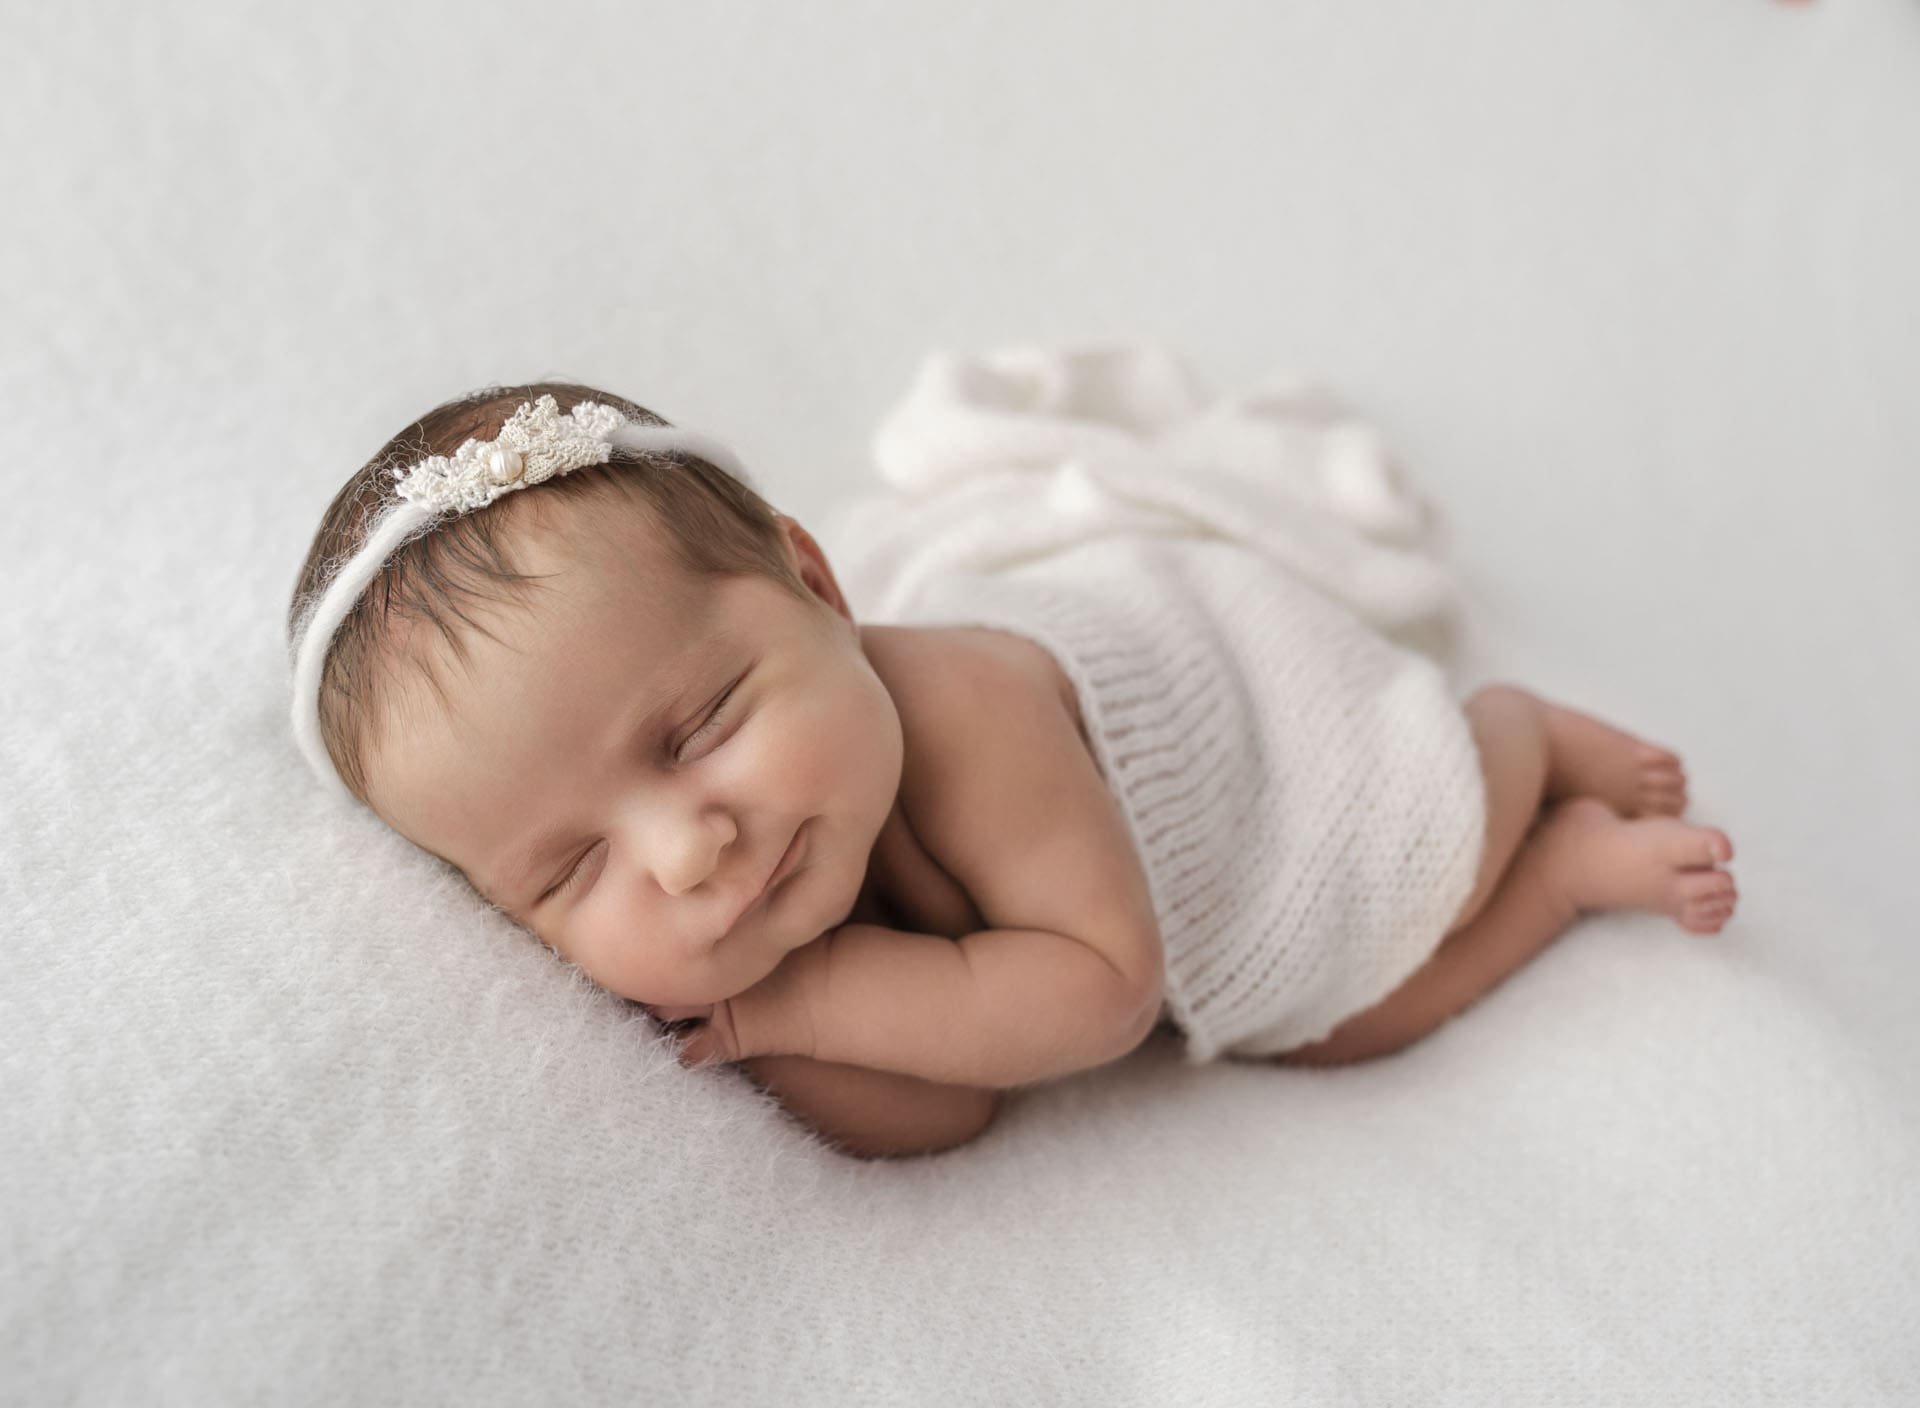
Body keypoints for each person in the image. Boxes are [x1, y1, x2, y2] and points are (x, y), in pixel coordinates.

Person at [286, 381, 1738, 1159]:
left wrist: (808, 993)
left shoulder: (965, 712)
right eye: (570, 869)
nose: (686, 852)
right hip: (1087, 909)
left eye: (702, 726)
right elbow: (957, 1104)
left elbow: (1098, 996)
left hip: (1247, 739)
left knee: (1341, 1001)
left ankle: (1518, 763)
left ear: (815, 583)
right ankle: (1550, 866)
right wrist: (784, 1032)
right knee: (1318, 1036)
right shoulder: (777, 863)